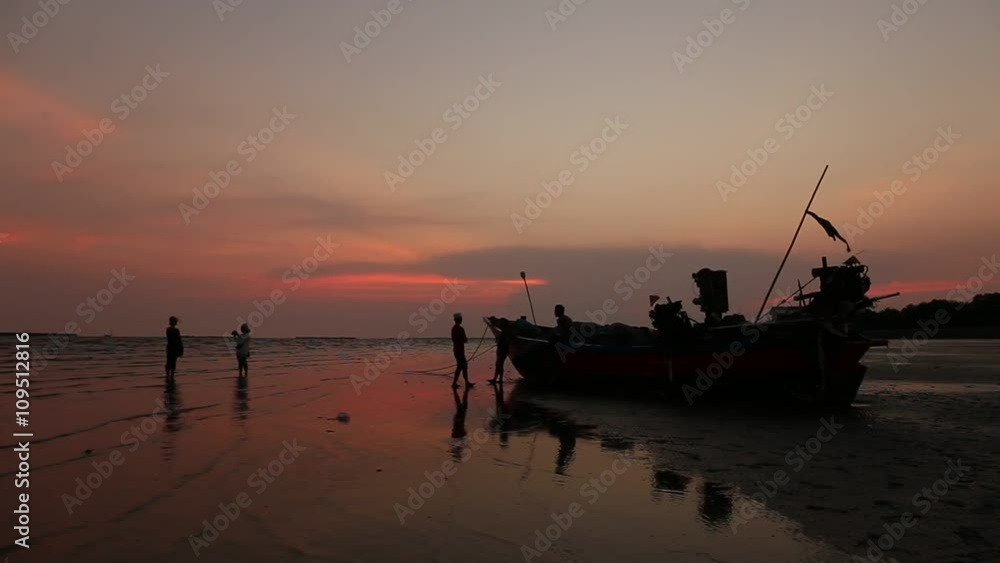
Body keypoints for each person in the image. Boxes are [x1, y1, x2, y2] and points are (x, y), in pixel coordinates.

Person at [451, 313, 473, 388]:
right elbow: (465, 339)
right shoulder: (460, 329)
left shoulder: (453, 328)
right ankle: (465, 383)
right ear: (460, 320)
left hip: (456, 350)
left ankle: (458, 383)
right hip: (460, 351)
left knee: (460, 366)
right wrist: (466, 339)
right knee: (463, 366)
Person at [488, 318, 509, 384]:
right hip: (500, 350)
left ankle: (499, 379)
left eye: (501, 323)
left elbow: (506, 342)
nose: (500, 324)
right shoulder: (503, 331)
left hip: (503, 350)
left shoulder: (506, 332)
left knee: (499, 364)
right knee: (498, 364)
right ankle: (496, 379)